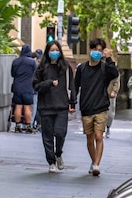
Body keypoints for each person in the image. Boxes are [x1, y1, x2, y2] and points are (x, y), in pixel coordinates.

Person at [74, 38, 118, 176]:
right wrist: (71, 102)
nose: (97, 53)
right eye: (95, 50)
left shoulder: (105, 68)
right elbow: (75, 86)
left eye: (100, 50)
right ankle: (94, 162)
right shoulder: (82, 68)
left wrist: (109, 57)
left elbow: (115, 74)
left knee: (99, 136)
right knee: (89, 139)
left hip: (101, 107)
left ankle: (96, 165)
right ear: (90, 50)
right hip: (87, 108)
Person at [32, 41, 75, 173]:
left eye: (56, 49)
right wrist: (49, 83)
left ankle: (58, 153)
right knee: (47, 136)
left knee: (60, 133)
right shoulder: (41, 68)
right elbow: (35, 86)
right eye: (52, 50)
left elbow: (71, 85)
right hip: (46, 106)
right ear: (47, 52)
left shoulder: (65, 67)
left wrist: (72, 102)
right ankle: (51, 161)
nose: (54, 52)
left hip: (61, 105)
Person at [11, 44, 37, 133]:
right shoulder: (32, 62)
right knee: (27, 107)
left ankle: (17, 126)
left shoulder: (15, 61)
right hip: (28, 87)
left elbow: (12, 74)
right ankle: (29, 126)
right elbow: (36, 73)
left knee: (18, 106)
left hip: (17, 87)